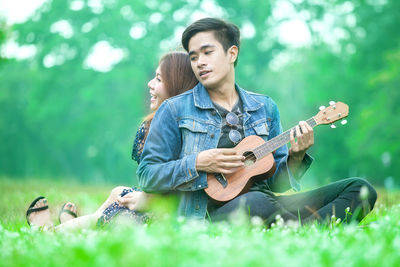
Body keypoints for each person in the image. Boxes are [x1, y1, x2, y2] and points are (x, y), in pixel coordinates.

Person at [137, 18, 377, 225]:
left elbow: (276, 184)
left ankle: (295, 229)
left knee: (361, 189)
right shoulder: (175, 109)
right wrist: (198, 162)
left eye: (207, 52)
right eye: (193, 56)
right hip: (208, 216)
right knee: (257, 202)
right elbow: (147, 175)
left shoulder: (264, 108)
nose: (199, 62)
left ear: (232, 53)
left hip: (268, 205)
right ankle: (306, 229)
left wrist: (296, 156)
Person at [26, 51, 199, 230]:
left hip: (173, 212)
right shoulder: (155, 123)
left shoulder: (189, 130)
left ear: (177, 86)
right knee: (118, 193)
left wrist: (149, 200)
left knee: (118, 214)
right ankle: (73, 227)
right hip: (159, 202)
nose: (150, 84)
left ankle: (49, 232)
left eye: (159, 79)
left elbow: (182, 183)